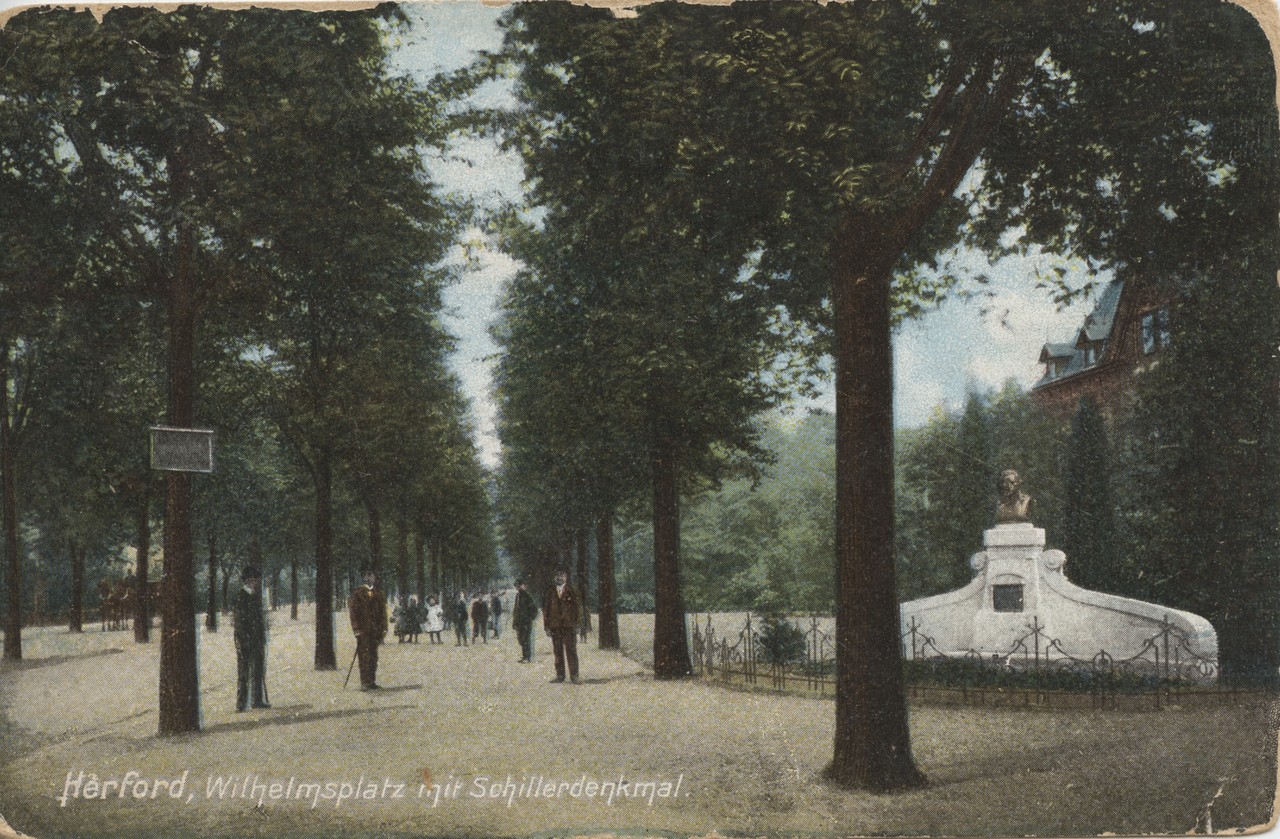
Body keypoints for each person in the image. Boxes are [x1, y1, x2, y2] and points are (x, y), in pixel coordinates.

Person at [234, 565, 270, 711]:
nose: (256, 582)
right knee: (244, 672)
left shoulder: (253, 596)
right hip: (246, 641)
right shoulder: (242, 597)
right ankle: (241, 703)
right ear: (248, 580)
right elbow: (240, 623)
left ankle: (257, 700)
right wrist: (246, 640)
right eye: (254, 579)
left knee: (258, 669)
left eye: (257, 579)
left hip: (256, 640)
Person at [348, 568, 388, 690]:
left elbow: (383, 613)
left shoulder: (378, 594)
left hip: (375, 631)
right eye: (370, 576)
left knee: (373, 656)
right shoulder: (357, 594)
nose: (372, 579)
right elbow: (353, 613)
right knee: (364, 656)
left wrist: (384, 628)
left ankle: (371, 681)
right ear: (365, 577)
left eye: (373, 576)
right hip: (363, 631)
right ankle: (364, 682)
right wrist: (356, 629)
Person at [543, 569, 580, 683]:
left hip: (569, 626)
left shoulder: (572, 590)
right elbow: (546, 610)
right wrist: (547, 627)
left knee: (571, 650)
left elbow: (578, 608)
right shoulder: (550, 592)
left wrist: (577, 624)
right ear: (554, 577)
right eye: (557, 575)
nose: (559, 578)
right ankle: (560, 675)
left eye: (562, 575)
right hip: (555, 626)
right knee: (557, 650)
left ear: (566, 577)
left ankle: (574, 676)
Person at [512, 579, 538, 663]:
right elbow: (516, 610)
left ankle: (527, 657)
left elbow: (534, 609)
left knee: (526, 639)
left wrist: (530, 618)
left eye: (520, 585)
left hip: (526, 622)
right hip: (519, 622)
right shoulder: (517, 596)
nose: (518, 587)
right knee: (521, 639)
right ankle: (524, 656)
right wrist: (514, 622)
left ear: (524, 585)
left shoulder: (527, 596)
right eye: (517, 585)